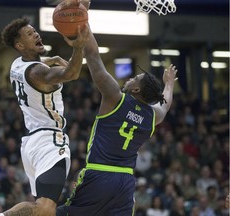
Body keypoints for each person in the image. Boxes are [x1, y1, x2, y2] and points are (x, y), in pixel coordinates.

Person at [57, 28, 177, 215]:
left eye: (135, 78)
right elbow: (166, 105)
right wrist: (169, 84)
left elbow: (93, 56)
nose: (131, 78)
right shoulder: (154, 115)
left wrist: (83, 19)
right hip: (125, 182)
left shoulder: (115, 97)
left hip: (99, 174)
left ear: (136, 90)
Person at [0, 15, 89, 216]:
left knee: (40, 209)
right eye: (30, 34)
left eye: (34, 31)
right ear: (20, 45)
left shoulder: (17, 65)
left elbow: (35, 64)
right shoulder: (39, 73)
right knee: (45, 209)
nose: (36, 34)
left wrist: (52, 59)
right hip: (49, 140)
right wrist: (78, 47)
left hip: (31, 143)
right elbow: (72, 74)